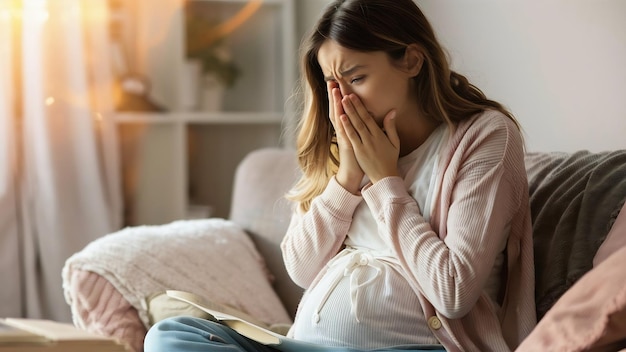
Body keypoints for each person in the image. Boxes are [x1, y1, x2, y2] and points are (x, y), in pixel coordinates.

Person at [144, 0, 536, 351]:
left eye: (356, 77)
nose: (342, 101)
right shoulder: (338, 147)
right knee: (170, 335)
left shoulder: (485, 136)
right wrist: (347, 179)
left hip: (417, 348)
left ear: (413, 61)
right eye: (333, 84)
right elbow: (300, 268)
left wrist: (385, 183)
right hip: (305, 345)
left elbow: (453, 292)